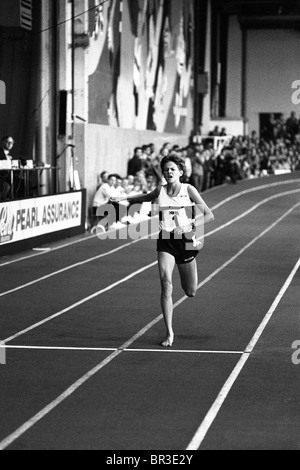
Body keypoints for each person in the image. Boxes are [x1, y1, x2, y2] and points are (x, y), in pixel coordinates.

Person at [111, 154, 214, 347]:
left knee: (190, 291)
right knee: (166, 283)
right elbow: (144, 197)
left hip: (185, 241)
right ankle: (169, 333)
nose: (168, 172)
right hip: (165, 240)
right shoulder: (160, 190)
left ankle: (189, 274)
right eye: (166, 169)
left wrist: (189, 225)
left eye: (172, 169)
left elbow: (209, 215)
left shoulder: (188, 190)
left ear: (180, 172)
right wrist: (124, 198)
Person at [0, 136, 15, 200]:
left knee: (22, 182)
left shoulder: (8, 155)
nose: (10, 144)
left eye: (11, 143)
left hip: (6, 176)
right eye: (7, 142)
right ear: (2, 142)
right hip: (1, 176)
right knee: (6, 186)